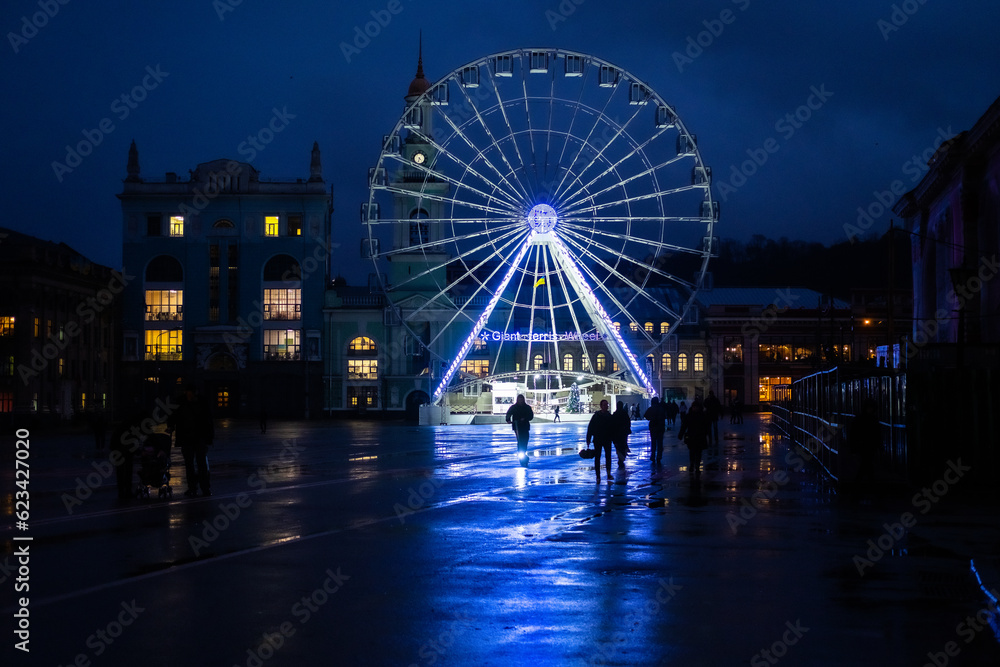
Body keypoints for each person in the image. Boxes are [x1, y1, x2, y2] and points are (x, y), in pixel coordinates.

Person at [169, 384, 215, 497]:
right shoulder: (185, 402)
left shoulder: (196, 402)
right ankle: (194, 488)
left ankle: (203, 488)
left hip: (197, 437)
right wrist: (170, 425)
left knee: (200, 464)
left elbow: (208, 420)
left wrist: (209, 437)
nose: (189, 396)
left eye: (191, 394)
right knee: (191, 465)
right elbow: (173, 416)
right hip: (189, 438)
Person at [848, 398, 881, 485]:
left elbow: (852, 434)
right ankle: (869, 484)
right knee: (867, 464)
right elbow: (877, 434)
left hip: (863, 445)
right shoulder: (873, 419)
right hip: (868, 445)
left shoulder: (859, 419)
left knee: (866, 464)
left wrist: (853, 448)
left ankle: (860, 484)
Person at [677, 400, 709, 478]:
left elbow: (706, 426)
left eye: (696, 407)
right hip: (695, 437)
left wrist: (681, 434)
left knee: (696, 452)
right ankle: (693, 465)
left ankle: (696, 465)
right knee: (694, 452)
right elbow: (684, 426)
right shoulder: (700, 415)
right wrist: (681, 434)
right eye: (694, 407)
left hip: (696, 436)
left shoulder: (692, 415)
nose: (695, 408)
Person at [586, 399, 615, 482]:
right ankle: (598, 476)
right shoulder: (596, 416)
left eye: (607, 405)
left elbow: (613, 429)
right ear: (601, 406)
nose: (606, 406)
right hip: (598, 439)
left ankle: (608, 474)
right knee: (598, 457)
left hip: (606, 439)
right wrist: (588, 439)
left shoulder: (609, 416)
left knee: (608, 457)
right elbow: (590, 428)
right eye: (605, 405)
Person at [505, 394, 534, 465]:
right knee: (520, 440)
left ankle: (523, 453)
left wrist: (525, 418)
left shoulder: (527, 407)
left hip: (525, 426)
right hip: (517, 426)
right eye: (519, 400)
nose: (520, 401)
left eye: (522, 400)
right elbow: (509, 413)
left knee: (525, 440)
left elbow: (531, 416)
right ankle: (521, 454)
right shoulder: (514, 407)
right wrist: (508, 419)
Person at [644, 397, 667, 464]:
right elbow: (664, 416)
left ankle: (653, 455)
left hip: (653, 427)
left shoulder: (650, 409)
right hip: (660, 427)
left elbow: (646, 416)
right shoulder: (661, 409)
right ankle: (659, 456)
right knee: (660, 442)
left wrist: (651, 419)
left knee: (653, 442)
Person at [612, 401, 632, 468]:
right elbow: (628, 422)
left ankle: (620, 458)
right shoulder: (624, 413)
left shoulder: (615, 414)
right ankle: (622, 457)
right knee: (623, 444)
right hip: (623, 433)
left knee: (618, 446)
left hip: (616, 433)